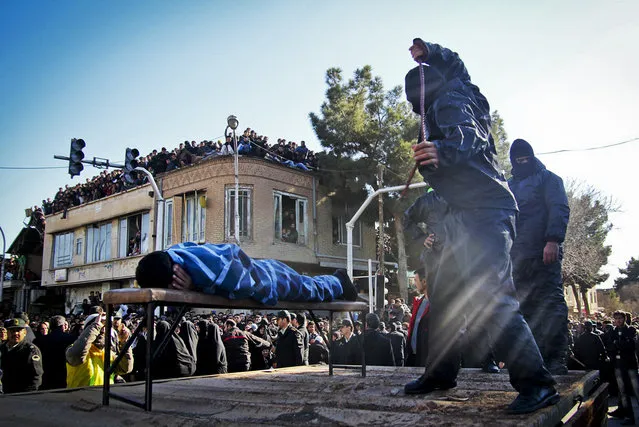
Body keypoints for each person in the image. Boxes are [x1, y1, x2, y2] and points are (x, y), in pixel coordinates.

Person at [402, 38, 557, 414]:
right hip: (463, 213)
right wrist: (431, 50)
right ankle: (440, 373)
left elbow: (466, 134)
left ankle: (537, 385)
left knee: (492, 296)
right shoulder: (460, 85)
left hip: (487, 212)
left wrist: (444, 151)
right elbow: (457, 65)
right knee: (445, 295)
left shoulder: (451, 102)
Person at [508, 138, 571, 375]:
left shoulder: (550, 179)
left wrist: (553, 240)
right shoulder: (509, 185)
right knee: (525, 308)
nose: (522, 163)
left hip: (544, 252)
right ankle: (535, 359)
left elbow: (559, 208)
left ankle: (556, 358)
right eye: (518, 160)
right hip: (517, 256)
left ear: (532, 157)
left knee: (551, 304)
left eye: (525, 158)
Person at [135, 242, 358, 305]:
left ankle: (339, 281)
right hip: (264, 267)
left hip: (269, 276)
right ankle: (336, 283)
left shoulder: (207, 269)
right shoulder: (175, 253)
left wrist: (194, 286)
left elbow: (245, 285)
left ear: (175, 277)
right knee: (307, 284)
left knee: (309, 289)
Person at [66, 313, 133, 387]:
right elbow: (77, 355)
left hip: (102, 397)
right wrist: (96, 326)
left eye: (106, 327)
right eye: (101, 326)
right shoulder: (74, 349)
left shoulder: (109, 354)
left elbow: (126, 368)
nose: (103, 330)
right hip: (80, 397)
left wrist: (124, 343)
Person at [605, 311, 639, 425]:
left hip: (630, 364)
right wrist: (619, 344)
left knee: (636, 389)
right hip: (618, 365)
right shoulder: (612, 331)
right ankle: (629, 416)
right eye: (616, 318)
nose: (618, 320)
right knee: (623, 391)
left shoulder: (631, 330)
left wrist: (617, 344)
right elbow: (609, 346)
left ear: (624, 319)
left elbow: (631, 345)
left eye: (620, 318)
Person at [0, 318, 43, 393]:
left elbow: (36, 377)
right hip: (5, 393)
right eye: (12, 331)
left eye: (18, 330)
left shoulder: (31, 350)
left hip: (21, 396)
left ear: (25, 332)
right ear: (8, 332)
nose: (15, 333)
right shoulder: (3, 348)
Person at [34, 315, 76, 389]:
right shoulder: (71, 338)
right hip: (64, 374)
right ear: (63, 326)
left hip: (46, 375)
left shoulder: (40, 340)